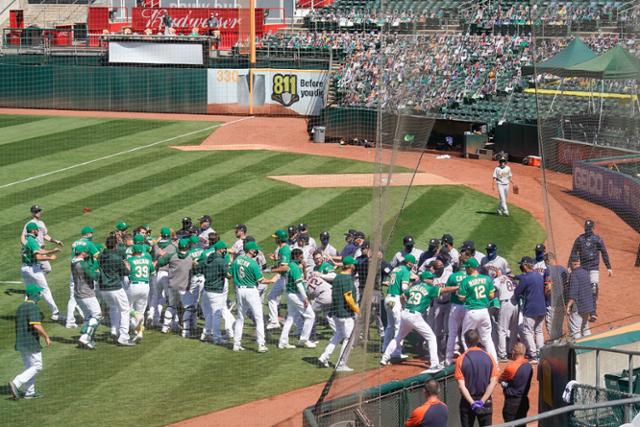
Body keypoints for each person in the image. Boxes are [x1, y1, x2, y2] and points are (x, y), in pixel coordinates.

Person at [380, 271, 457, 372]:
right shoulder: (430, 288)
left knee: (398, 337)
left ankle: (384, 358)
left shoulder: (413, 287)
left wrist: (403, 306)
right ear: (425, 279)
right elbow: (445, 290)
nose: (432, 280)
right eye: (430, 278)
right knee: (431, 337)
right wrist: (457, 287)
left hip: (405, 313)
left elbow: (402, 296)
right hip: (415, 316)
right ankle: (434, 364)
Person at [9, 284, 51, 400]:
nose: (40, 295)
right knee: (37, 366)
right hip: (30, 342)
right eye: (39, 293)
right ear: (35, 295)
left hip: (21, 342)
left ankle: (29, 392)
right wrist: (46, 337)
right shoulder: (32, 307)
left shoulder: (21, 307)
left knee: (29, 367)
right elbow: (36, 325)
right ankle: (16, 383)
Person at [228, 241, 271, 352]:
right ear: (250, 250)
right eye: (255, 249)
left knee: (240, 318)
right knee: (259, 318)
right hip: (251, 291)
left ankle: (236, 344)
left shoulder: (237, 260)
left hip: (239, 291)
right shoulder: (253, 264)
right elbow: (261, 280)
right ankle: (261, 344)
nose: (257, 251)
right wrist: (272, 280)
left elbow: (229, 275)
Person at [318, 256, 359, 372]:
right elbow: (348, 297)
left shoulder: (337, 277)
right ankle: (341, 364)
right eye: (354, 264)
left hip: (335, 312)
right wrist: (357, 310)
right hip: (345, 314)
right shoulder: (346, 279)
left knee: (338, 335)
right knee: (349, 338)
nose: (355, 266)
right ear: (350, 266)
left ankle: (324, 356)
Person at [455, 329, 499, 427]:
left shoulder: (461, 359)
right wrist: (482, 401)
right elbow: (493, 382)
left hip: (467, 401)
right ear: (478, 340)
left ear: (466, 342)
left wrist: (472, 403)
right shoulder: (489, 357)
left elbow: (461, 386)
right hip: (485, 400)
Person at [569, 219, 612, 319]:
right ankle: (582, 308)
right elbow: (573, 252)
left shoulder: (597, 239)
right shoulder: (580, 239)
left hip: (593, 267)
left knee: (593, 288)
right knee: (583, 288)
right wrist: (570, 266)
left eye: (589, 228)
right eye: (586, 228)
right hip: (583, 268)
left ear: (593, 228)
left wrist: (608, 267)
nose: (587, 230)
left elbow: (604, 253)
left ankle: (593, 312)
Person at [457, 258, 497, 361]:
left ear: (471, 268)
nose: (466, 270)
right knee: (487, 339)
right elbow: (492, 295)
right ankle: (495, 364)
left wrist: (469, 296)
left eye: (467, 268)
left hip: (472, 312)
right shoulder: (487, 279)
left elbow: (461, 298)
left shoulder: (465, 281)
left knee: (465, 337)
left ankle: (469, 361)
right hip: (484, 311)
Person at [20, 222, 60, 320]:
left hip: (24, 269)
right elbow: (38, 256)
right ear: (33, 230)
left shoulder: (26, 240)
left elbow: (38, 251)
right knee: (45, 290)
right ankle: (55, 312)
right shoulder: (33, 241)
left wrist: (51, 251)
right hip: (33, 269)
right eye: (37, 229)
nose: (38, 231)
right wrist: (51, 258)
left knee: (30, 291)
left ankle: (26, 312)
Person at [278, 248, 316, 349]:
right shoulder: (294, 267)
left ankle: (283, 342)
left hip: (290, 294)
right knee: (311, 316)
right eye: (300, 257)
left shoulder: (291, 265)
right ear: (295, 256)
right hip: (295, 295)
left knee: (290, 318)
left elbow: (303, 278)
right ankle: (304, 340)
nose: (302, 258)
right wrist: (305, 298)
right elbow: (299, 284)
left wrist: (303, 267)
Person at [99, 235, 133, 346]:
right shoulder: (117, 258)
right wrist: (127, 266)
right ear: (116, 245)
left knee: (113, 308)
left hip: (103, 289)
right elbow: (126, 272)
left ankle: (114, 330)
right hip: (115, 287)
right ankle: (123, 336)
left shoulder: (101, 255)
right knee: (125, 310)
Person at [382, 254, 417, 359]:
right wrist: (411, 284)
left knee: (390, 326)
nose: (413, 265)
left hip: (388, 298)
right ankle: (397, 351)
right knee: (398, 326)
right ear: (409, 263)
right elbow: (404, 287)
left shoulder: (396, 269)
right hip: (396, 299)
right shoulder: (406, 271)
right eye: (413, 263)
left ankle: (384, 348)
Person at [514, 256, 547, 361]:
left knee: (527, 331)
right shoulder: (538, 275)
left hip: (531, 309)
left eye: (521, 265)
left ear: (524, 265)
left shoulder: (525, 278)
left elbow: (517, 293)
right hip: (542, 308)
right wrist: (516, 277)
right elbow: (527, 279)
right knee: (538, 331)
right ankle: (540, 353)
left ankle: (533, 355)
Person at [67, 226, 100, 328]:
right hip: (84, 271)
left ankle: (70, 321)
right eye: (92, 233)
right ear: (89, 234)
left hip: (74, 270)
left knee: (73, 296)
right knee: (88, 293)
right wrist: (95, 264)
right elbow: (97, 255)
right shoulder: (89, 244)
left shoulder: (75, 243)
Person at [71, 247, 102, 349]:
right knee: (97, 315)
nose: (88, 253)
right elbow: (94, 276)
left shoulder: (73, 262)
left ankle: (85, 336)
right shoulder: (83, 264)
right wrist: (97, 269)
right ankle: (85, 337)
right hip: (87, 294)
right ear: (82, 253)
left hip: (78, 294)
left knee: (88, 316)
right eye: (87, 251)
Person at [198, 241, 229, 344]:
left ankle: (205, 334)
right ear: (220, 249)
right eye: (224, 249)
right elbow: (228, 275)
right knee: (216, 315)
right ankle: (217, 338)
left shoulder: (207, 259)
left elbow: (199, 268)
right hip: (215, 292)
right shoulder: (221, 261)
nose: (225, 251)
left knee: (209, 315)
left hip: (206, 291)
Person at [21, 205, 63, 274]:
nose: (38, 212)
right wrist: (26, 246)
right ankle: (35, 279)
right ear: (32, 213)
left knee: (45, 268)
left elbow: (45, 235)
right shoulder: (29, 224)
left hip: (42, 249)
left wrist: (56, 241)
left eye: (39, 211)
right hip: (35, 249)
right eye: (36, 211)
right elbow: (23, 236)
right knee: (47, 268)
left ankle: (35, 279)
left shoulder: (41, 223)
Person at [125, 244, 154, 342]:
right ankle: (139, 332)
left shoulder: (130, 260)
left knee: (126, 308)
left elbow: (127, 272)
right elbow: (153, 273)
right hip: (145, 286)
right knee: (140, 311)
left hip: (134, 285)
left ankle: (132, 327)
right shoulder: (148, 260)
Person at [500, 342, 533, 422]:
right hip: (524, 401)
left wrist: (504, 384)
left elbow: (500, 379)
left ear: (515, 352)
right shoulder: (529, 366)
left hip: (512, 403)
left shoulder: (511, 366)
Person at [445, 254, 469, 365]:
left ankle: (448, 359)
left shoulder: (453, 276)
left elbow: (446, 289)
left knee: (452, 333)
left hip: (455, 306)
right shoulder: (470, 276)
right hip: (468, 307)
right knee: (466, 333)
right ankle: (469, 357)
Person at [267, 229, 291, 330]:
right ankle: (274, 321)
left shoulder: (285, 249)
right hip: (282, 278)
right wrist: (276, 260)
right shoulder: (281, 249)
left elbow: (285, 267)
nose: (275, 239)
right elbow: (282, 263)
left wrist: (272, 270)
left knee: (293, 304)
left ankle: (301, 328)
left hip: (287, 279)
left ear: (279, 239)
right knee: (271, 296)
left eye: (276, 238)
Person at [493, 269, 518, 361]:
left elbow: (492, 289)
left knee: (502, 330)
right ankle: (512, 351)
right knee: (514, 329)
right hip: (515, 304)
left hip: (506, 303)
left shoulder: (498, 279)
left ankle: (502, 354)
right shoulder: (510, 279)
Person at [566, 257, 594, 339]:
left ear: (573, 263)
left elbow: (573, 293)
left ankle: (579, 350)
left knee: (575, 330)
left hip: (579, 306)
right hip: (588, 305)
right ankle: (590, 346)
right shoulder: (586, 272)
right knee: (585, 328)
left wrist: (568, 306)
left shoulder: (574, 274)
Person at [544, 253, 569, 340]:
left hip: (552, 304)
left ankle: (556, 348)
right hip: (562, 303)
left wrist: (545, 294)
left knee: (552, 330)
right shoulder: (564, 270)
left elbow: (549, 288)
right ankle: (560, 345)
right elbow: (567, 286)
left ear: (548, 261)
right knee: (558, 327)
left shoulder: (548, 270)